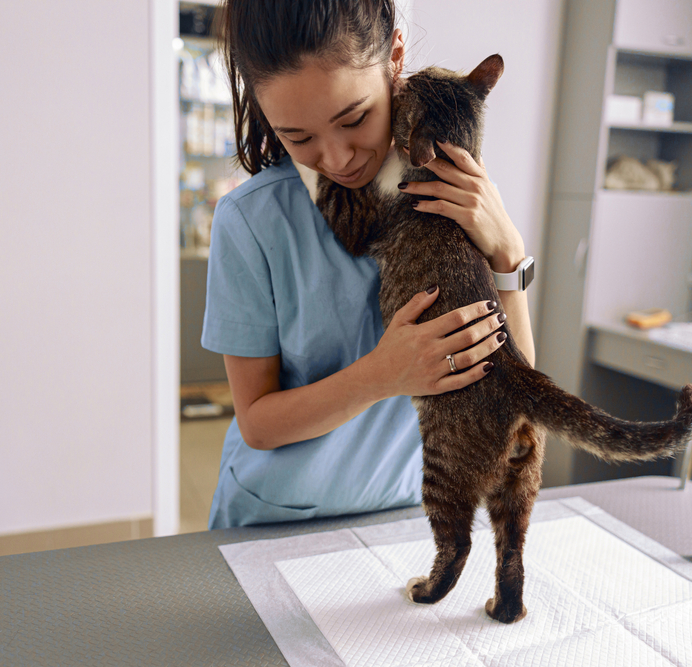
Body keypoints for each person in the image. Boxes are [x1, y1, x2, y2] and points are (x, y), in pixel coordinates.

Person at [201, 0, 535, 529]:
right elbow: (257, 426)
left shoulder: (454, 191)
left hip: (405, 516)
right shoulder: (251, 220)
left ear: (395, 58)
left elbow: (512, 382)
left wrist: (509, 255)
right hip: (275, 520)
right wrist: (381, 375)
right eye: (299, 137)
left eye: (353, 119)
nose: (337, 159)